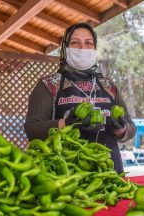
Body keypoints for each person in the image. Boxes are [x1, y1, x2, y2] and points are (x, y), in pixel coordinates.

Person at [24, 22, 136, 174]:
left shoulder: (108, 85)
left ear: (95, 48)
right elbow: (32, 129)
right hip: (68, 174)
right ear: (65, 48)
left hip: (110, 171)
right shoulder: (48, 84)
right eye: (75, 43)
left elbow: (130, 128)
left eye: (88, 43)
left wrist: (120, 130)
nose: (82, 48)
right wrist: (67, 123)